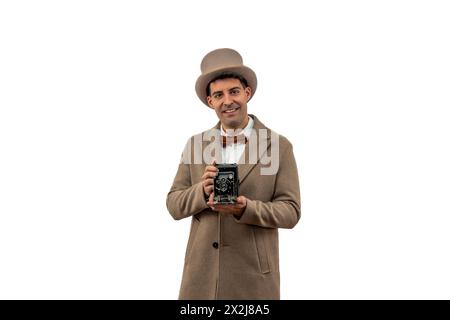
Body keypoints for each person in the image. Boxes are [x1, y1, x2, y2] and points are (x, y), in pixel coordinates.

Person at [166, 48, 301, 299]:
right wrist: (201, 191)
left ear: (247, 92)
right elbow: (173, 205)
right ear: (210, 101)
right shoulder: (196, 145)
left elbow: (291, 211)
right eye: (219, 94)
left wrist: (244, 209)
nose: (227, 101)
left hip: (253, 281)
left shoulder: (278, 146)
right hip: (201, 281)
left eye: (234, 91)